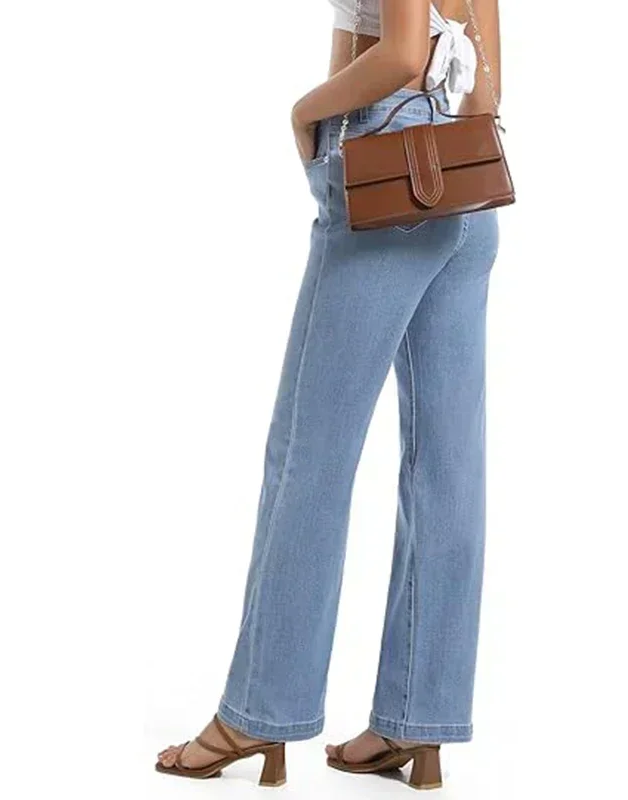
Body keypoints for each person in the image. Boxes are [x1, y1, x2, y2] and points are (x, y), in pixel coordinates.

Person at [156, 0, 502, 789]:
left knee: (308, 460)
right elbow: (486, 91)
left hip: (385, 184)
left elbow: (400, 53)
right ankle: (417, 721)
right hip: (467, 181)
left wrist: (305, 112)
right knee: (446, 472)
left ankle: (259, 712)